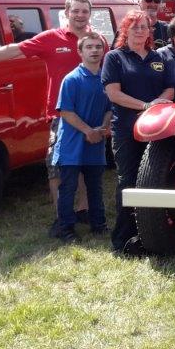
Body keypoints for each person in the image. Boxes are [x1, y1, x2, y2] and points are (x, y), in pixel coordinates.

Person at [0, 0, 99, 219]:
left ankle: (84, 208)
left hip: (90, 111)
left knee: (86, 165)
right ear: (66, 13)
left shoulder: (96, 39)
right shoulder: (51, 38)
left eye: (84, 11)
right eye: (76, 11)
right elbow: (14, 49)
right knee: (57, 165)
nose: (80, 15)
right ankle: (61, 214)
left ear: (89, 14)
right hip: (61, 113)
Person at [102, 10, 171, 255]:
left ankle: (150, 233)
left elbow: (170, 89)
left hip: (156, 130)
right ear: (125, 30)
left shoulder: (158, 57)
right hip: (126, 129)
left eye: (144, 27)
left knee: (153, 181)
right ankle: (123, 237)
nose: (140, 31)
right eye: (135, 27)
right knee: (128, 182)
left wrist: (157, 104)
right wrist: (145, 106)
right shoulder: (115, 58)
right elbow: (113, 94)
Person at [51, 32, 111, 242]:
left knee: (95, 187)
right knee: (68, 188)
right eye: (89, 47)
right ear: (80, 51)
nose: (94, 51)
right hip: (71, 145)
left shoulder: (106, 79)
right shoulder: (72, 79)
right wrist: (88, 131)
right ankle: (65, 229)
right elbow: (66, 112)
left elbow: (109, 109)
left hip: (95, 144)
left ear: (103, 51)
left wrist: (103, 127)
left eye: (98, 47)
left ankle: (99, 225)